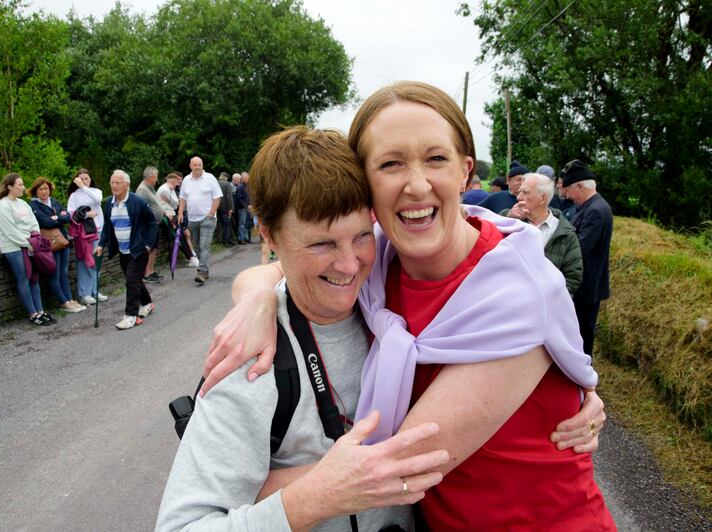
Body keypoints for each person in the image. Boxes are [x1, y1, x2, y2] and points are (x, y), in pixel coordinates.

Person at [202, 82, 613, 530]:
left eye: (436, 159)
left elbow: (390, 469)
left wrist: (243, 495)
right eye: (391, 163)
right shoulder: (374, 259)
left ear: (464, 170)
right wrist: (257, 296)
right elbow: (287, 265)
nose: (416, 185)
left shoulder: (518, 293)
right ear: (365, 182)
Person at [157, 127, 448, 531]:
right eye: (321, 245)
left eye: (363, 235)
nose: (350, 265)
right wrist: (315, 495)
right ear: (269, 234)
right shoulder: (252, 359)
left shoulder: (394, 281)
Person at [562, 160, 613, 356]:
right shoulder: (591, 207)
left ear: (581, 186)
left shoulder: (595, 211)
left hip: (588, 285)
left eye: (569, 190)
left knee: (583, 333)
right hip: (586, 283)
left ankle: (584, 375)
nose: (567, 196)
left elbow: (580, 248)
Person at [502, 172, 583, 296]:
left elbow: (572, 277)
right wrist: (509, 219)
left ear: (543, 199)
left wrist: (551, 302)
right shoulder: (508, 218)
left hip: (546, 309)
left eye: (525, 192)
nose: (518, 197)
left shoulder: (565, 233)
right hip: (509, 302)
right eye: (520, 192)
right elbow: (487, 242)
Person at [96, 170, 157, 330]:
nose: (114, 186)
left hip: (138, 249)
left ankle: (131, 316)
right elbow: (107, 227)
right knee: (134, 280)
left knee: (131, 280)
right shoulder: (108, 203)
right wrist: (101, 244)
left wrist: (148, 244)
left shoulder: (138, 201)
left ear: (127, 185)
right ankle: (147, 303)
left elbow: (152, 222)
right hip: (122, 250)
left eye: (118, 182)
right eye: (112, 182)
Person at [0, 173, 54, 326]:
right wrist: (28, 243)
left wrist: (34, 238)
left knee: (34, 278)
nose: (24, 188)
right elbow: (9, 231)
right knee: (24, 278)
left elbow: (33, 222)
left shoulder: (23, 204)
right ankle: (33, 314)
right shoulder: (2, 206)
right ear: (9, 186)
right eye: (20, 185)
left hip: (31, 245)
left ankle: (40, 311)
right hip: (14, 248)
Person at [28, 177, 86, 313]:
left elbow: (67, 217)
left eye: (46, 188)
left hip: (63, 241)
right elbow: (45, 222)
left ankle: (70, 299)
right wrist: (59, 217)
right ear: (35, 191)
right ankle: (63, 302)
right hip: (50, 244)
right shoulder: (33, 206)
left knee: (63, 273)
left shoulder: (54, 202)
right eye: (40, 189)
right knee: (54, 273)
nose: (44, 191)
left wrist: (57, 218)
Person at [67, 169, 109, 306]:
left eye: (86, 178)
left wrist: (84, 187)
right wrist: (86, 215)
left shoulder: (96, 192)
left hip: (98, 230)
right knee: (85, 262)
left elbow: (98, 200)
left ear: (90, 179)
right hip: (84, 233)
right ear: (76, 180)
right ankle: (84, 293)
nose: (84, 180)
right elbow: (71, 213)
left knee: (96, 261)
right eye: (81, 179)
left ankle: (95, 291)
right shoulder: (74, 196)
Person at [178, 156, 222, 284]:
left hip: (207, 218)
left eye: (199, 165)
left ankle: (201, 272)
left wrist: (211, 213)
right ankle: (205, 270)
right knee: (197, 246)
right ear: (190, 166)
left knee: (204, 245)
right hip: (192, 219)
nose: (197, 167)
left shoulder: (210, 178)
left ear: (202, 166)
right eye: (195, 165)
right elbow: (182, 198)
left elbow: (217, 197)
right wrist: (180, 213)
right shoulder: (186, 179)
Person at [137, 166, 174, 283]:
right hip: (148, 225)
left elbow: (156, 204)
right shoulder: (142, 189)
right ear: (151, 177)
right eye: (156, 177)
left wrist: (164, 212)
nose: (157, 179)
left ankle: (151, 271)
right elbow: (140, 208)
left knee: (154, 248)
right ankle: (146, 274)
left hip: (155, 223)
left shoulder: (150, 188)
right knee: (150, 248)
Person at [160, 172, 200, 268]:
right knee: (176, 237)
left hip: (172, 215)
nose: (179, 184)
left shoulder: (171, 189)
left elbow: (176, 203)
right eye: (177, 182)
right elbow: (176, 203)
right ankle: (189, 258)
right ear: (172, 181)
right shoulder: (165, 190)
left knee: (177, 237)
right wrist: (177, 202)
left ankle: (189, 257)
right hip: (167, 217)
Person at [216, 172, 236, 246]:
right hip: (225, 207)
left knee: (219, 224)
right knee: (227, 225)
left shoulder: (216, 183)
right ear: (226, 177)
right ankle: (226, 242)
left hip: (217, 207)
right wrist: (230, 208)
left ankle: (219, 240)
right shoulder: (227, 184)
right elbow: (229, 197)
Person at [234, 170, 251, 244]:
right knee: (242, 224)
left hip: (247, 208)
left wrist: (250, 204)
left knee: (246, 223)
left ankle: (245, 237)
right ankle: (240, 238)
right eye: (247, 178)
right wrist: (246, 206)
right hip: (242, 208)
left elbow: (248, 197)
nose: (248, 179)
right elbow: (239, 199)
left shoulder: (247, 186)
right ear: (243, 178)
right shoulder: (240, 187)